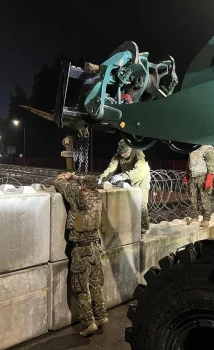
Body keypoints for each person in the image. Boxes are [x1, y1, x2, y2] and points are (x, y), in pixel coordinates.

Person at [54, 173, 109, 337]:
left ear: (84, 186)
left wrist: (67, 176)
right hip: (94, 249)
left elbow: (58, 183)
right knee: (96, 285)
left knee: (81, 288)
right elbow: (87, 182)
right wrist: (78, 177)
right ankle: (101, 316)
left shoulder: (77, 195)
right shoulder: (97, 196)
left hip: (80, 250)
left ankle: (88, 323)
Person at [99, 139, 151, 234]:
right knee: (130, 201)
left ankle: (144, 227)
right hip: (130, 178)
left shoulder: (138, 153)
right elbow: (110, 168)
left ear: (129, 149)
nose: (122, 155)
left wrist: (122, 176)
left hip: (141, 178)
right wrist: (102, 178)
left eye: (124, 152)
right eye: (121, 153)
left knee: (141, 203)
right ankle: (133, 224)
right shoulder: (118, 155)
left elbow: (140, 169)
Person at [184, 145, 214, 227]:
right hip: (192, 175)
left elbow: (212, 165)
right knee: (193, 198)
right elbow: (190, 162)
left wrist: (209, 179)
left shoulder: (208, 148)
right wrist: (187, 176)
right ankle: (194, 216)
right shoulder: (192, 147)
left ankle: (206, 219)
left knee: (204, 198)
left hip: (203, 176)